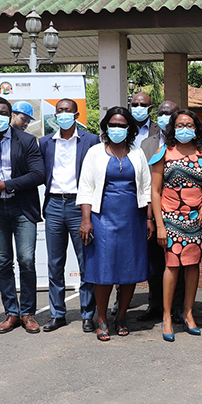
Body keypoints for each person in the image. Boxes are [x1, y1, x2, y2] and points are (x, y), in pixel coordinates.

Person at [77, 107, 153, 341]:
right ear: (106, 127)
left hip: (133, 219)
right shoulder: (95, 152)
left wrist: (149, 219)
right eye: (113, 124)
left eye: (121, 125)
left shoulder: (137, 153)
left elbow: (147, 187)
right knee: (104, 270)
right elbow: (86, 187)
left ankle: (121, 316)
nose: (116, 129)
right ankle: (102, 319)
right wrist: (86, 220)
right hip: (102, 219)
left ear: (129, 128)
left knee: (129, 271)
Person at [0, 96, 45, 335]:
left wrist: (7, 185)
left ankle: (28, 313)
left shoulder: (26, 140)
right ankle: (11, 312)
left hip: (22, 208)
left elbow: (38, 174)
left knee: (26, 260)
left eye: (4, 112)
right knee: (3, 263)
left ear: (10, 115)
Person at [150, 109, 202, 342]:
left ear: (197, 129)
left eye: (189, 125)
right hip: (171, 219)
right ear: (172, 128)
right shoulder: (163, 153)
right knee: (172, 265)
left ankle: (188, 313)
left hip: (198, 220)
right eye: (180, 125)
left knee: (193, 264)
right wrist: (159, 225)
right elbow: (155, 192)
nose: (185, 129)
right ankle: (167, 316)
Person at [39, 98, 100, 333]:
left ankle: (87, 314)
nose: (63, 114)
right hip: (54, 204)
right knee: (55, 263)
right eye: (59, 111)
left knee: (86, 261)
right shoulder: (45, 142)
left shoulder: (91, 140)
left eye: (67, 110)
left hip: (80, 206)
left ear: (76, 115)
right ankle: (57, 314)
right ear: (55, 115)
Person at [138, 99, 180, 321]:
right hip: (153, 209)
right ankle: (154, 304)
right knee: (155, 260)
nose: (165, 117)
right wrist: (149, 216)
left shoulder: (184, 142)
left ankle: (178, 308)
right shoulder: (146, 143)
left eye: (170, 113)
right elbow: (144, 182)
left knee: (178, 260)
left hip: (179, 210)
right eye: (162, 113)